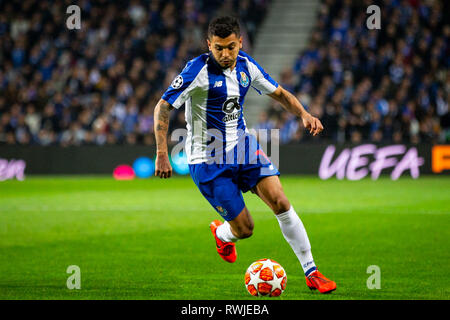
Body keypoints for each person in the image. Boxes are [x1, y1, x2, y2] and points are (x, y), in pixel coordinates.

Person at [154, 16, 336, 294]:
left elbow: (280, 93)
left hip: (242, 146)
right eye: (218, 48)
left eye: (230, 47)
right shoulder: (196, 71)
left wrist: (304, 114)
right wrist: (162, 153)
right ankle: (222, 233)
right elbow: (163, 107)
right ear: (208, 45)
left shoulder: (246, 65)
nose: (225, 54)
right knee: (245, 229)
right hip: (207, 160)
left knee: (281, 202)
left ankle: (311, 271)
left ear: (240, 42)